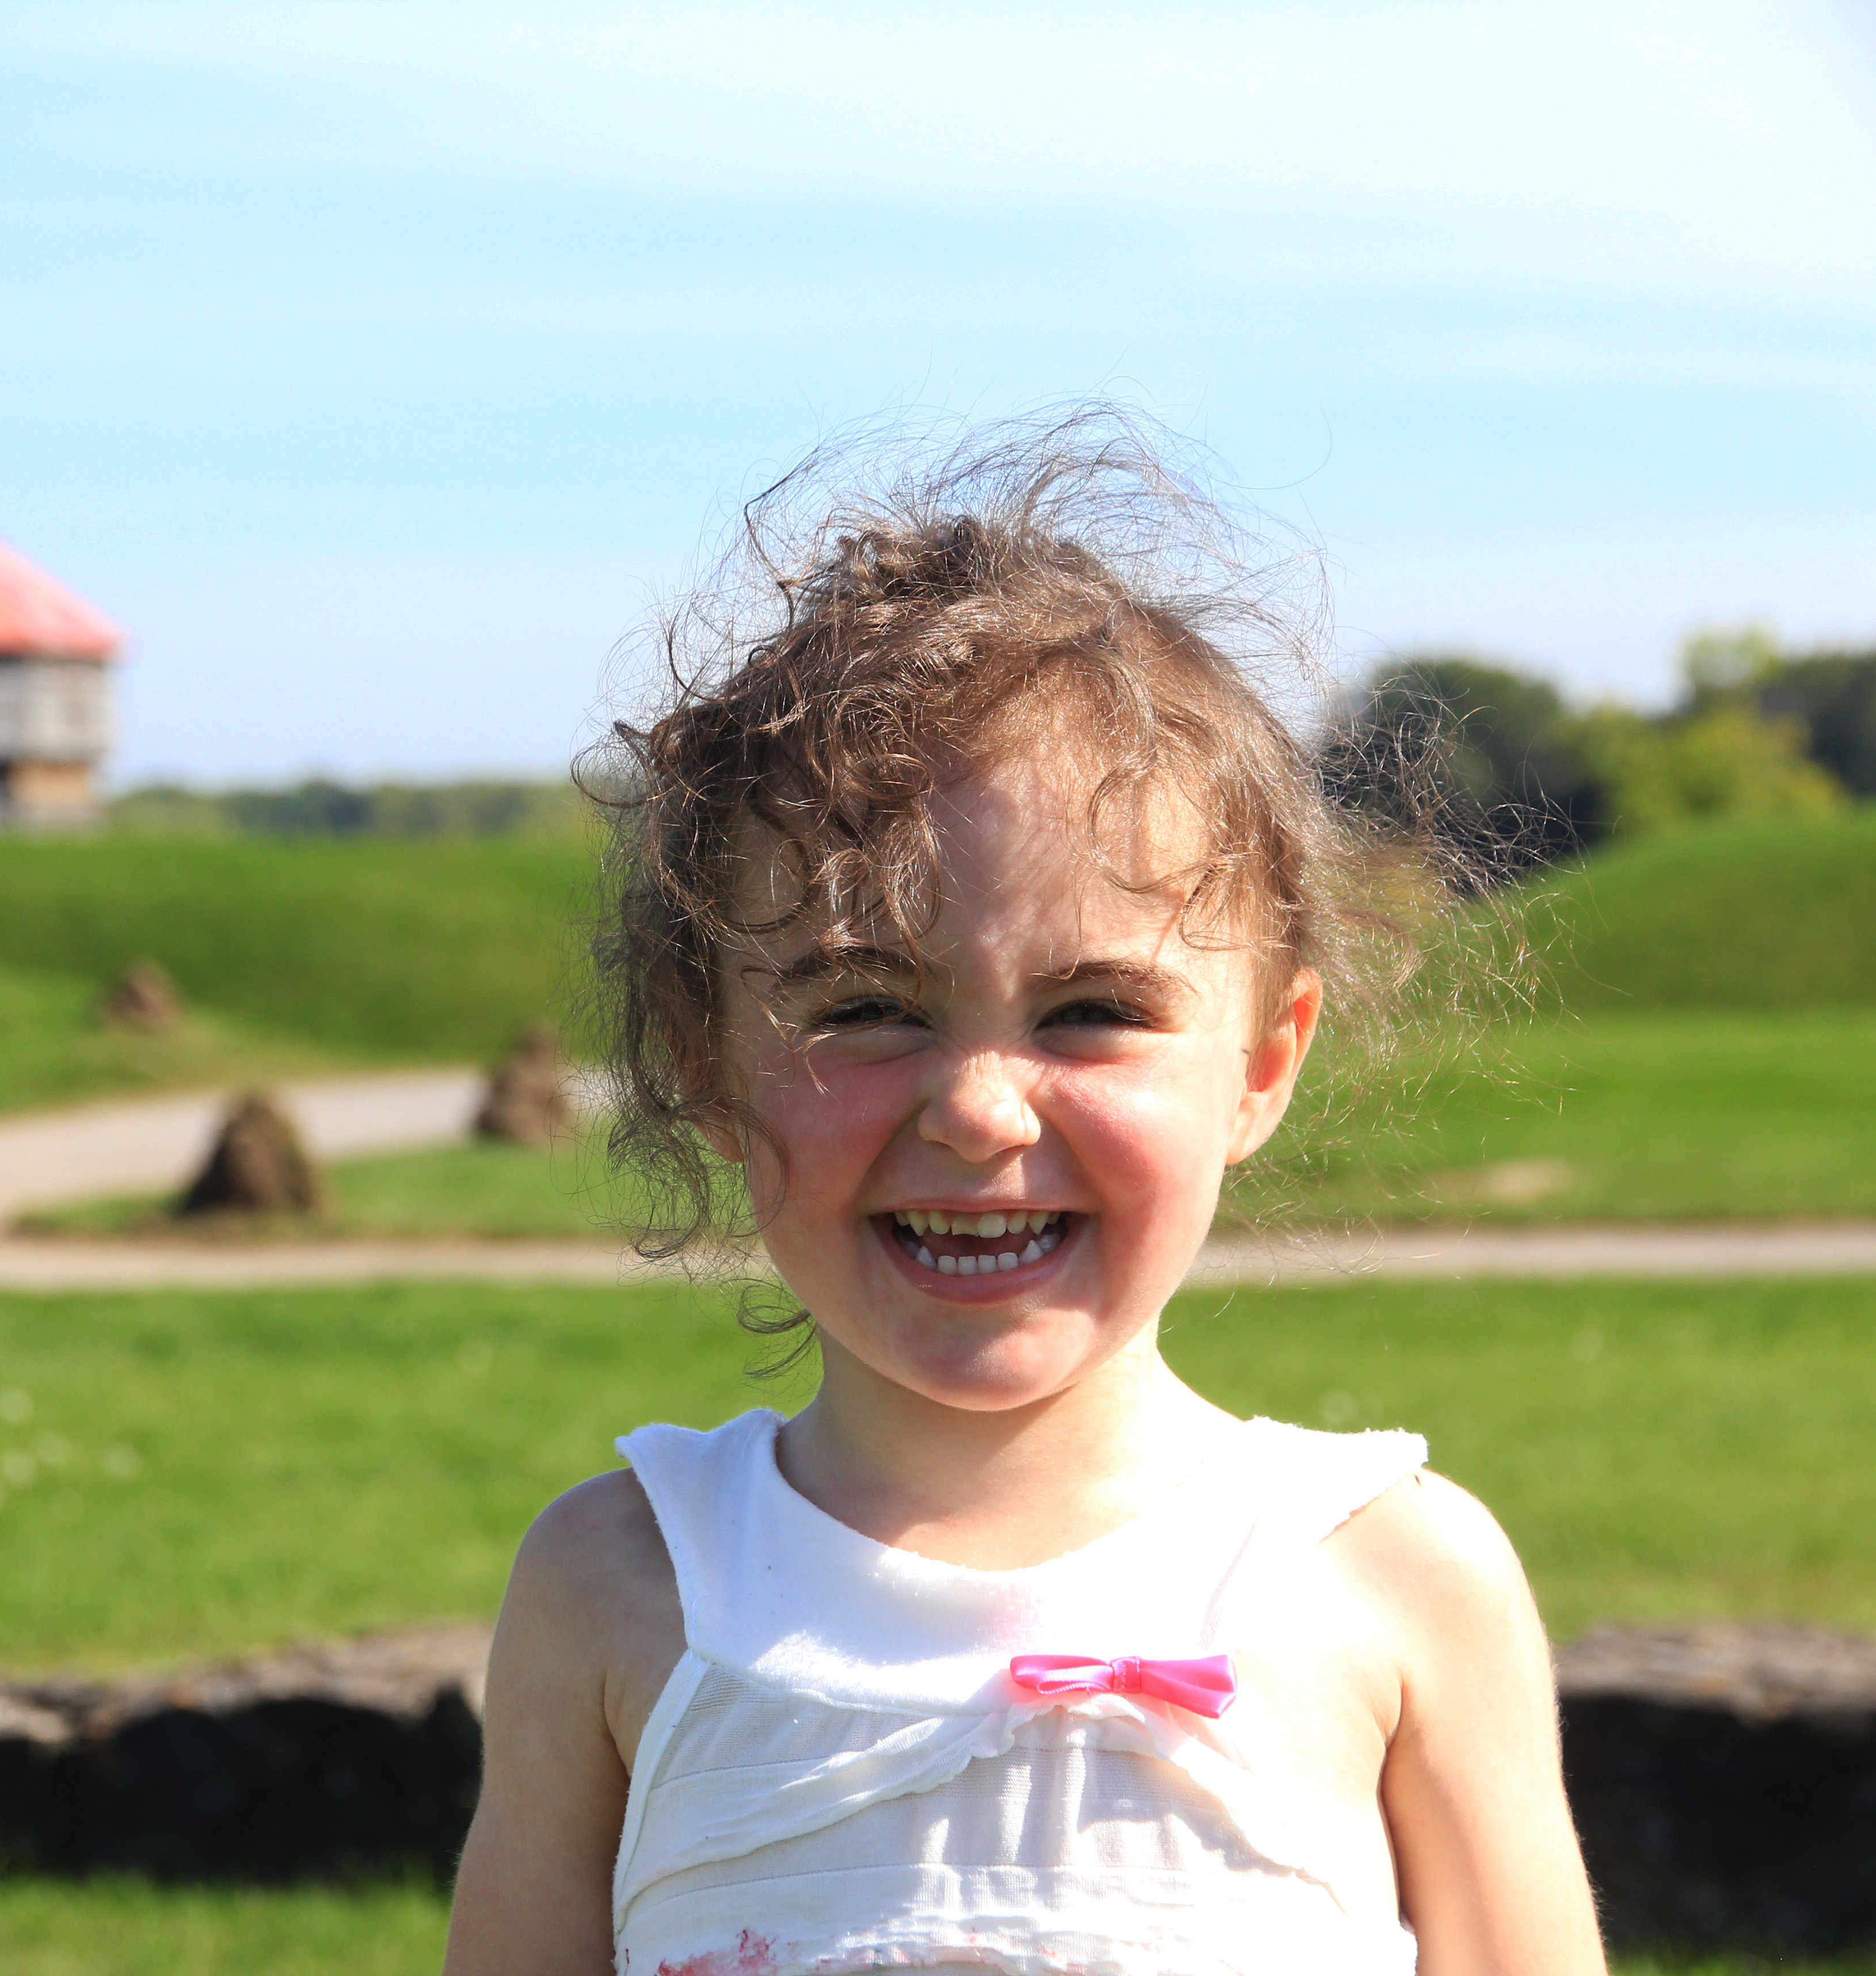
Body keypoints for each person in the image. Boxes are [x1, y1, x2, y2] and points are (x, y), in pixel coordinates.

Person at [444, 413, 1603, 1976]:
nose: (980, 1112)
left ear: (1262, 1065)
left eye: (1093, 1011)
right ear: (700, 1060)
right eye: (863, 1005)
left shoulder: (1390, 1579)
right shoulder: (619, 1584)